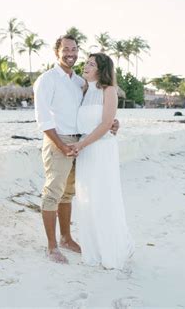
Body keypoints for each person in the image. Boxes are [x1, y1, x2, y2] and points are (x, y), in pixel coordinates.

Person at [33, 35, 119, 264]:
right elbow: (42, 120)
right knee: (52, 192)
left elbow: (95, 109)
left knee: (68, 194)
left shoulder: (80, 82)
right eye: (66, 49)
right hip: (57, 141)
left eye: (74, 49)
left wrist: (112, 122)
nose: (71, 53)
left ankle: (66, 237)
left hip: (79, 144)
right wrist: (61, 145)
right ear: (56, 52)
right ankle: (52, 247)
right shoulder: (47, 80)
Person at [70, 53, 134, 269]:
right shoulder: (84, 90)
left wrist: (81, 144)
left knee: (103, 197)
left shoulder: (109, 90)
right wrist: (81, 145)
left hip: (100, 149)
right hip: (86, 150)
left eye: (91, 64)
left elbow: (106, 123)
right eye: (86, 62)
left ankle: (109, 250)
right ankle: (93, 249)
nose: (85, 66)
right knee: (87, 199)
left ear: (101, 69)